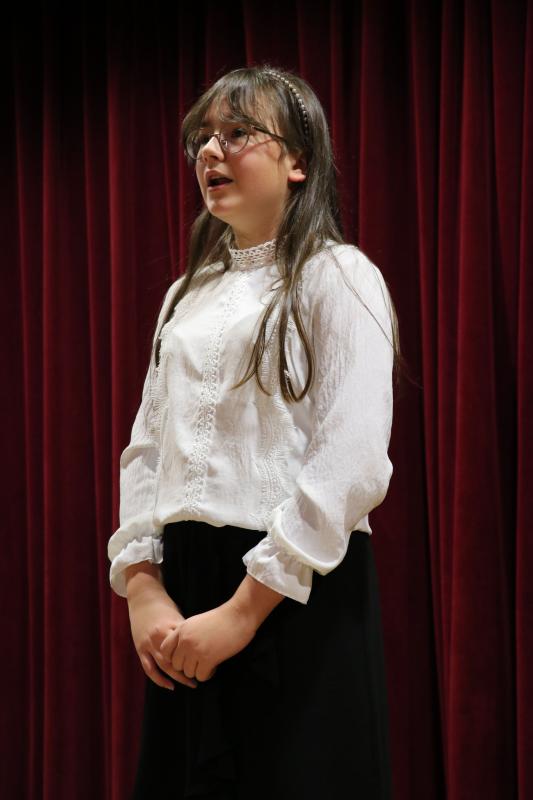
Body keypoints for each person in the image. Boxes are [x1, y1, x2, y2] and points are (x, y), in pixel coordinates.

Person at [107, 63, 402, 800]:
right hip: (187, 595)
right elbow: (148, 446)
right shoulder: (186, 295)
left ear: (297, 160)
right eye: (202, 138)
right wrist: (144, 588)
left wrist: (242, 613)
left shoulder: (339, 276)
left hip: (294, 590)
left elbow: (352, 460)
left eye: (237, 133)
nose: (211, 151)